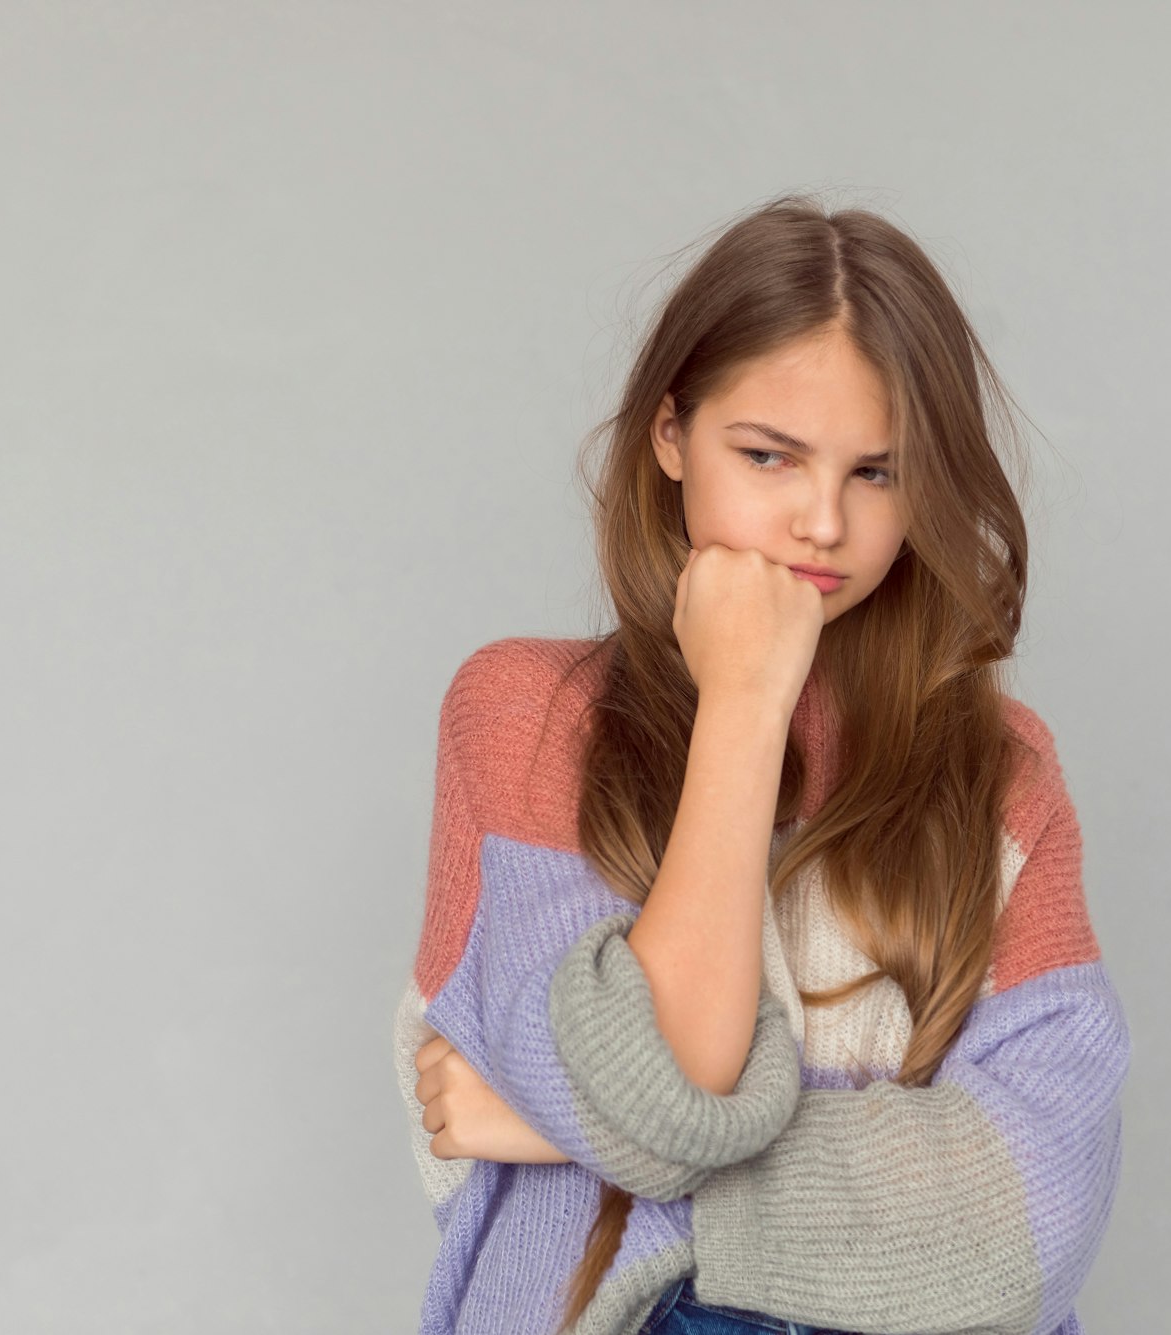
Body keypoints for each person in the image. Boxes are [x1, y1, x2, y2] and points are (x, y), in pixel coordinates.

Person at [390, 192, 1130, 1335]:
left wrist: (574, 1137)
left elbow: (1028, 1222)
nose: (821, 524)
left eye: (875, 474)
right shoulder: (525, 718)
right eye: (769, 456)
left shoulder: (999, 778)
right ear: (670, 436)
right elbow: (665, 1093)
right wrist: (743, 699)